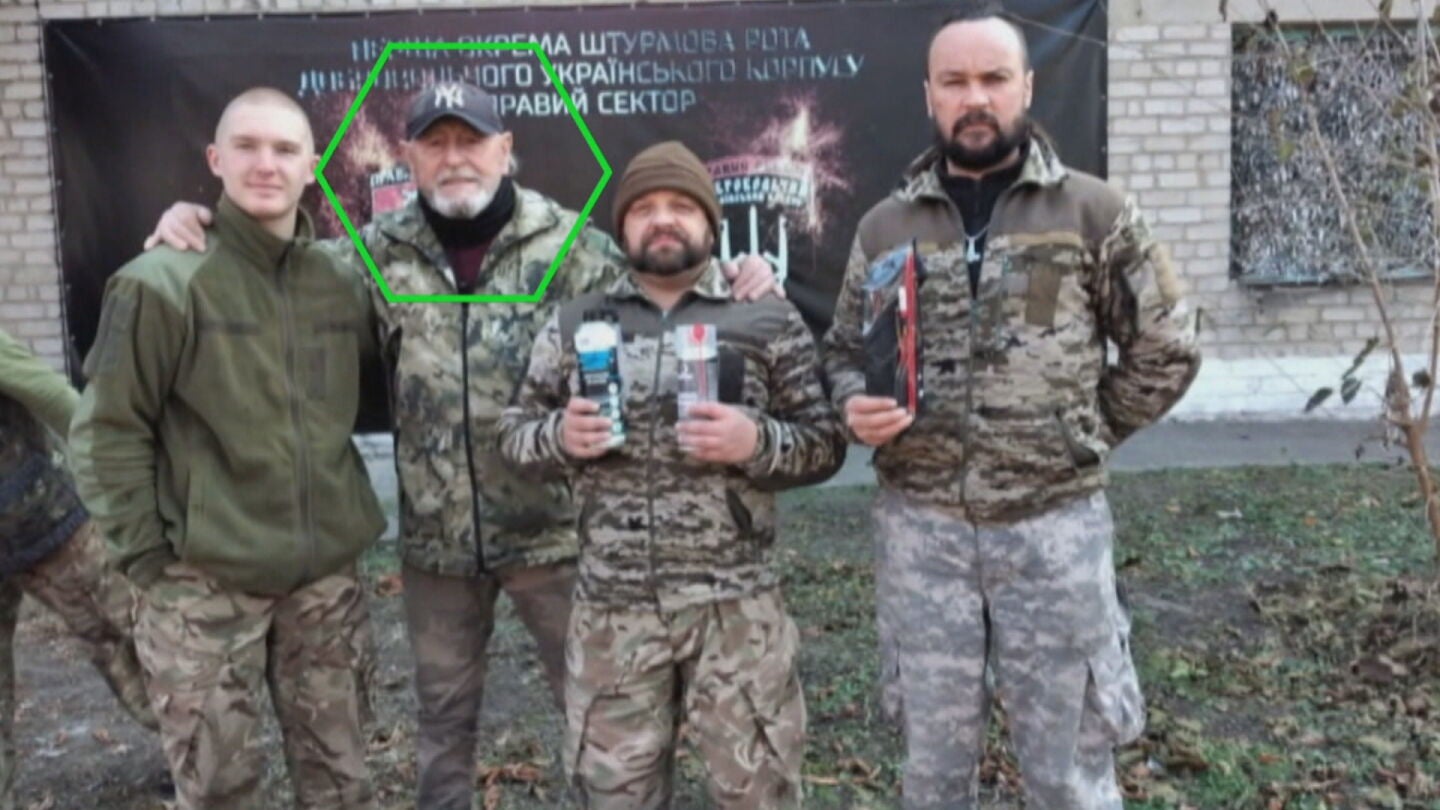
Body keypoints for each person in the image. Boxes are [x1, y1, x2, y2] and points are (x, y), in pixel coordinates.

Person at [146, 81, 779, 810]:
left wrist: (738, 272)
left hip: (556, 537)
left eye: (471, 141)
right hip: (438, 543)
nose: (455, 159)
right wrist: (196, 223)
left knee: (597, 717)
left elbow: (663, 281)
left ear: (504, 150)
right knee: (443, 723)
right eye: (436, 144)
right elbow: (273, 269)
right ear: (409, 158)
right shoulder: (372, 254)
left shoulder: (570, 245)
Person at [820, 6, 1202, 809]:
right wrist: (853, 403)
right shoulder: (887, 225)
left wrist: (1084, 431)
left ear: (1026, 87)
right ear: (929, 95)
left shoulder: (1094, 212)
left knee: (1067, 774)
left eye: (993, 78)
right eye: (955, 81)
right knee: (933, 772)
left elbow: (1168, 344)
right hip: (923, 534)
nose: (975, 98)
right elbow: (842, 350)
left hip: (1051, 531)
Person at [498, 141, 845, 809]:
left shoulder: (764, 317)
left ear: (710, 224)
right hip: (613, 611)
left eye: (682, 206)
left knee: (757, 794)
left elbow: (826, 442)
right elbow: (513, 434)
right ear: (623, 227)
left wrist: (757, 440)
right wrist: (559, 437)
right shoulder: (576, 322)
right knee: (615, 797)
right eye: (645, 208)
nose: (663, 219)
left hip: (735, 609)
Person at [70, 87, 384, 810]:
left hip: (322, 584)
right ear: (215, 159)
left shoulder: (340, 281)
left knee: (341, 783)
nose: (266, 164)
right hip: (205, 585)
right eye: (247, 146)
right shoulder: (160, 283)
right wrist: (151, 560)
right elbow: (107, 431)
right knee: (217, 790)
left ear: (313, 166)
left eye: (285, 149)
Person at [0, 328, 157, 810]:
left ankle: (201, 751)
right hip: (33, 515)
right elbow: (55, 396)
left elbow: (52, 396)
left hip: (37, 518)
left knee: (126, 635)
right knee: (126, 634)